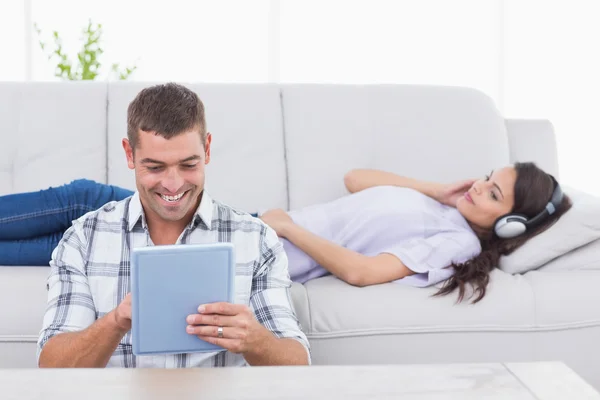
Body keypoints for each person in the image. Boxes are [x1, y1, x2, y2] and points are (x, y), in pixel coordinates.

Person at [1, 161, 571, 305]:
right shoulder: (448, 213)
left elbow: (363, 272)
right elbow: (357, 177)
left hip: (253, 247)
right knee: (79, 233)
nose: (479, 188)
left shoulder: (459, 245)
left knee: (83, 202)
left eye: (492, 195)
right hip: (254, 229)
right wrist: (444, 189)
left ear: (511, 224)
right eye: (488, 177)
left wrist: (289, 227)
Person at [34, 83, 310, 368]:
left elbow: (297, 363)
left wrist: (255, 340)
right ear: (129, 154)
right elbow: (52, 367)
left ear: (207, 149)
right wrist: (116, 322)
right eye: (155, 168)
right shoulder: (83, 238)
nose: (173, 184)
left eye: (189, 165)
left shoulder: (256, 239)